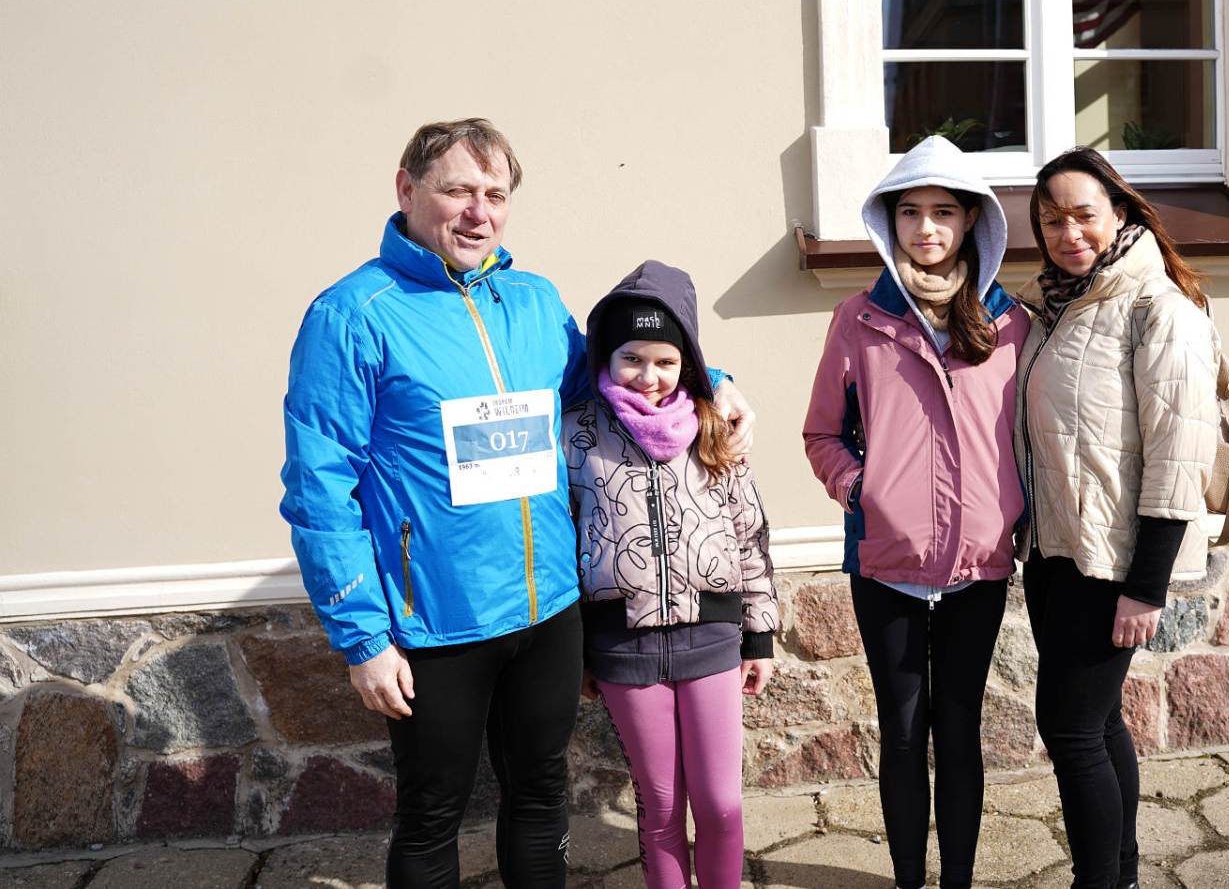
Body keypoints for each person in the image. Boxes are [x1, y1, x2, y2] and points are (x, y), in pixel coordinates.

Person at [279, 118, 755, 889]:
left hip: (546, 613)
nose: (480, 212)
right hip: (437, 622)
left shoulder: (533, 302)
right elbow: (319, 491)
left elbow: (617, 376)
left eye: (495, 195)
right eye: (458, 190)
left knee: (540, 796)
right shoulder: (352, 315)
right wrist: (362, 637)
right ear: (406, 189)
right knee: (432, 813)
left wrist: (717, 380)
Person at [802, 135, 1028, 889]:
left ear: (971, 221)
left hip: (978, 565)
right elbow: (822, 433)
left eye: (943, 213)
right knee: (902, 732)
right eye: (909, 212)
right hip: (886, 565)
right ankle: (908, 880)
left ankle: (957, 879)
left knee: (959, 731)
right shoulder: (857, 319)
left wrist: (1014, 511)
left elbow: (1030, 436)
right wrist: (860, 489)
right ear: (888, 221)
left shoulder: (1010, 325)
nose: (926, 228)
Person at [1014, 148, 1218, 889]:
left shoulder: (1157, 308)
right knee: (1096, 725)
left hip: (1112, 563)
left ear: (1121, 213)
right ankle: (1121, 877)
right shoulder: (1057, 306)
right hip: (1056, 553)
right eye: (1051, 220)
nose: (1067, 232)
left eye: (1084, 215)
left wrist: (1146, 585)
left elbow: (1179, 455)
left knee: (1070, 730)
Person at [563, 261, 778, 889]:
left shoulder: (714, 424)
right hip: (622, 646)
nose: (649, 376)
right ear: (606, 357)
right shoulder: (575, 434)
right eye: (632, 359)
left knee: (721, 804)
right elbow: (560, 542)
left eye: (665, 361)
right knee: (659, 809)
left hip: (712, 639)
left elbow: (749, 534)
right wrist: (578, 650)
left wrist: (759, 636)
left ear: (687, 362)